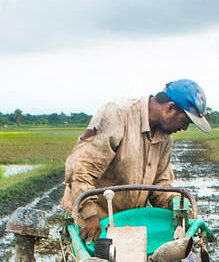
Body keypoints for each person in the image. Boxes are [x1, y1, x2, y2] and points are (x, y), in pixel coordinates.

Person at [61, 79, 210, 243]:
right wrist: (90, 215)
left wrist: (177, 206)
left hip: (126, 224)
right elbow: (80, 167)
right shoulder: (118, 114)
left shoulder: (165, 139)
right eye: (185, 121)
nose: (185, 128)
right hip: (91, 222)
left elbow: (160, 185)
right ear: (170, 108)